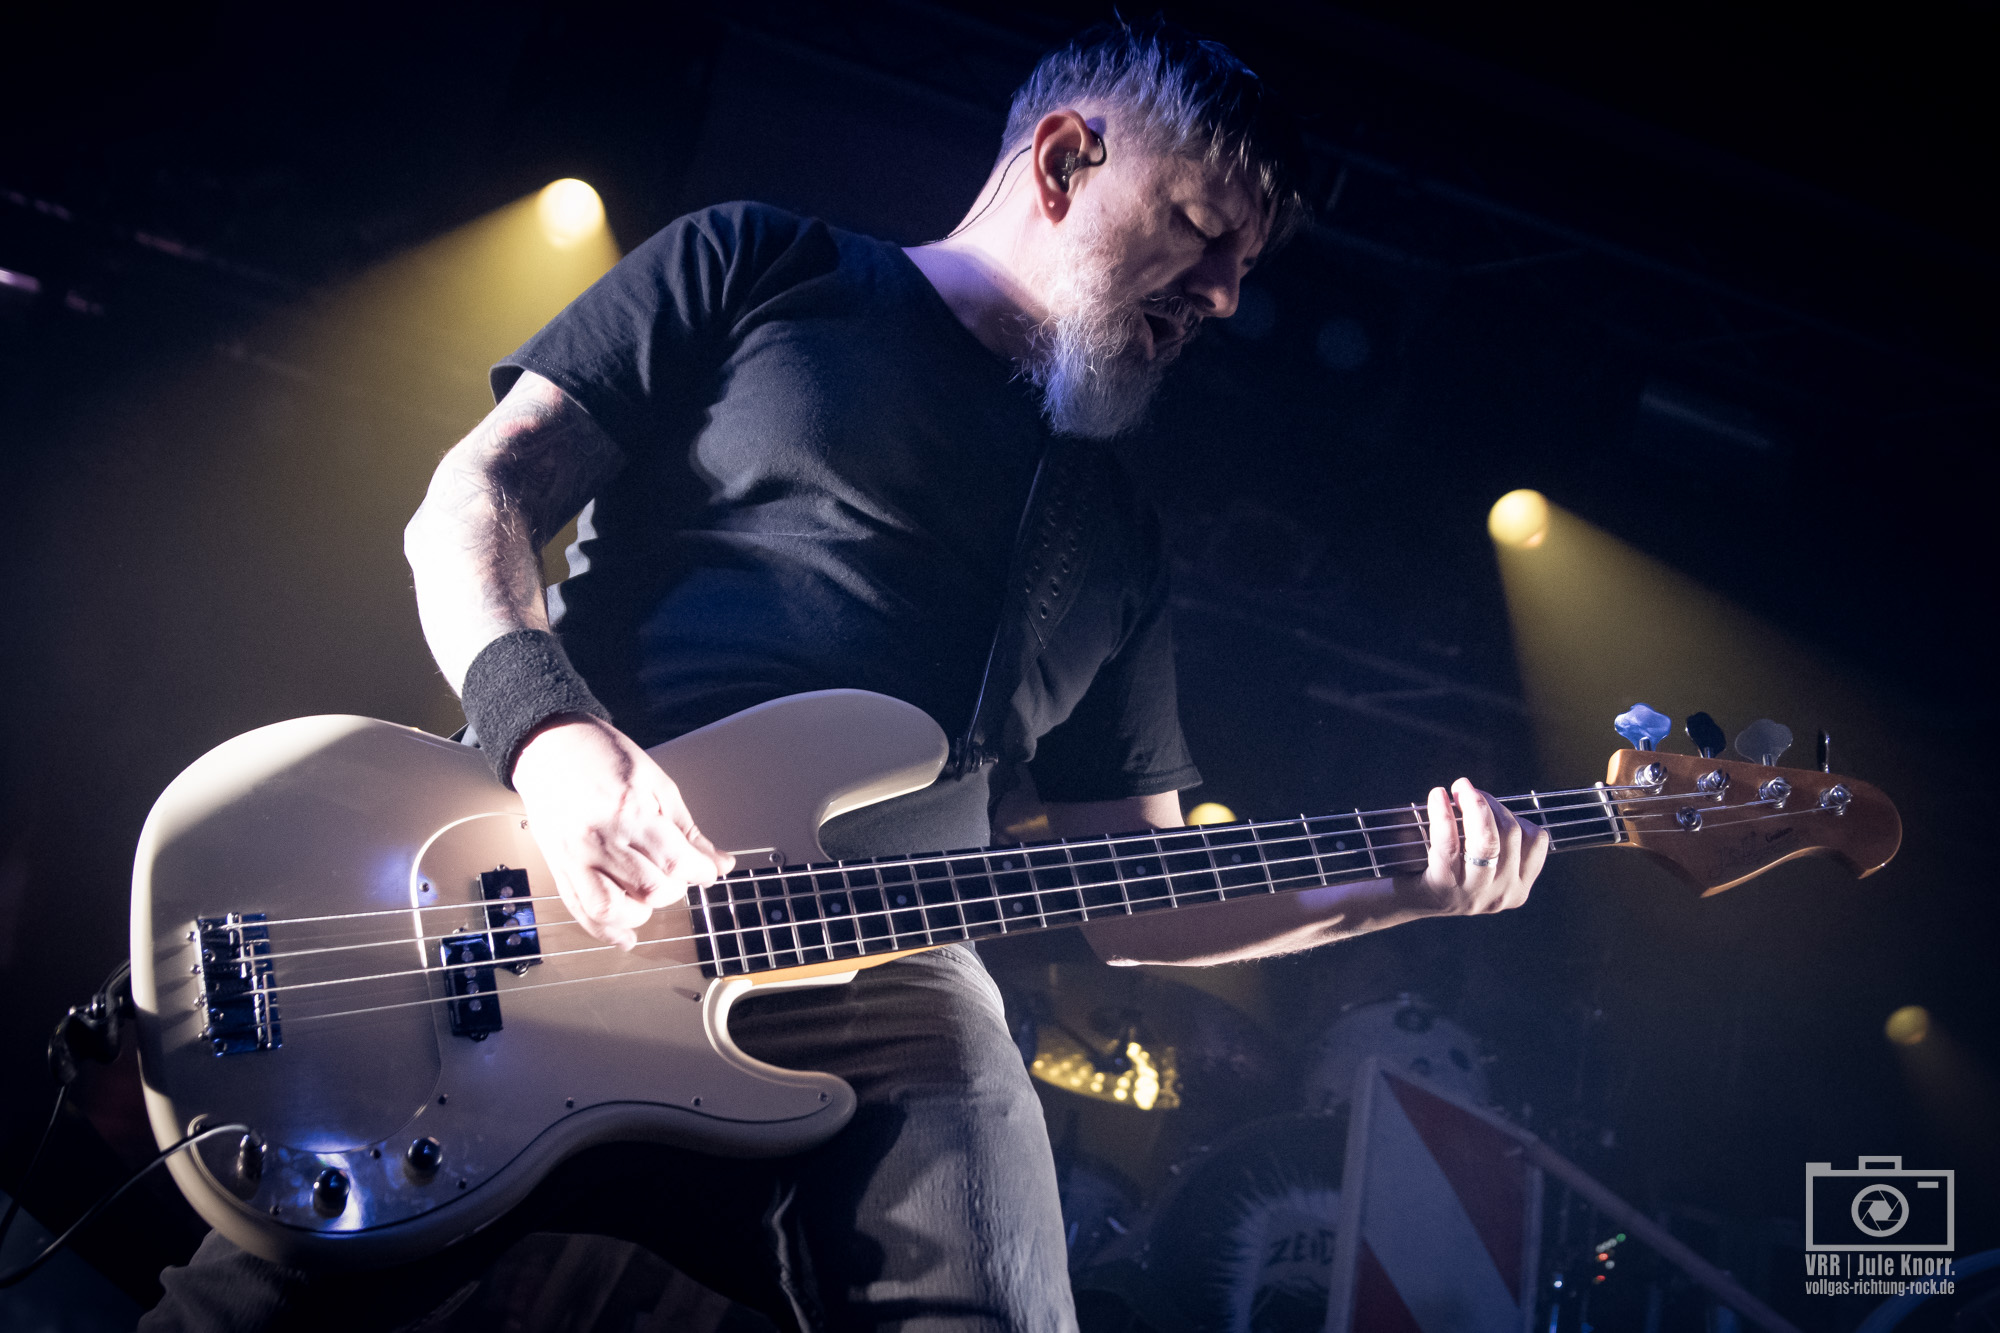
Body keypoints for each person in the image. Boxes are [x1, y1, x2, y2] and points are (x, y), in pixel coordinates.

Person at [143, 19, 1547, 1332]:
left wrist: (1404, 890)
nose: (1228, 295)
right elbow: (475, 499)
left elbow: (1143, 895)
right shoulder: (762, 263)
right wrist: (552, 739)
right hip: (552, 867)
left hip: (890, 978)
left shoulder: (1117, 532)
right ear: (1066, 159)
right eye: (1200, 228)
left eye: (1247, 266)